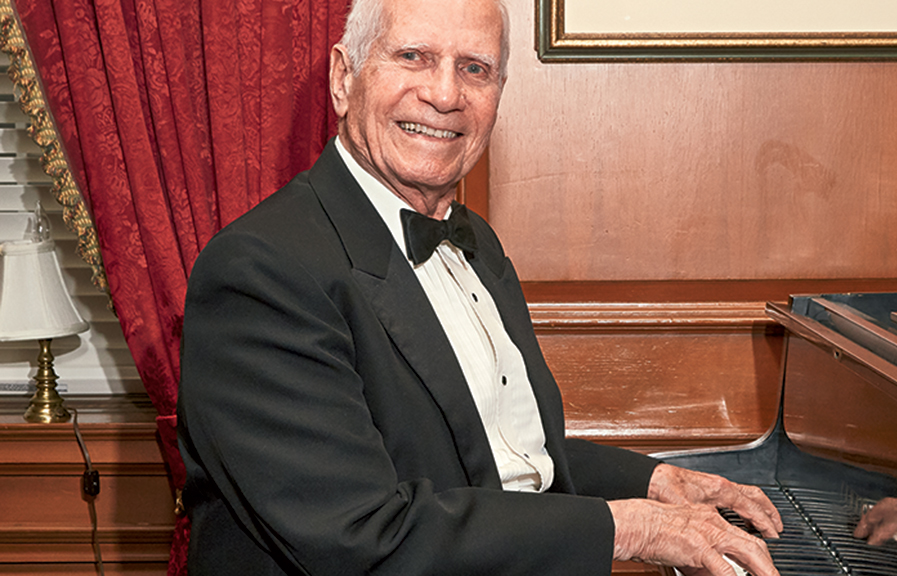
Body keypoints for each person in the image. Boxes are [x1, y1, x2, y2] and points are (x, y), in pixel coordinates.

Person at [176, 0, 783, 574]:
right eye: (413, 56)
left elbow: (497, 457)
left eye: (475, 69)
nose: (444, 94)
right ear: (342, 78)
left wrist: (655, 482)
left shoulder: (477, 244)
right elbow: (362, 537)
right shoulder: (260, 272)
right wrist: (630, 528)